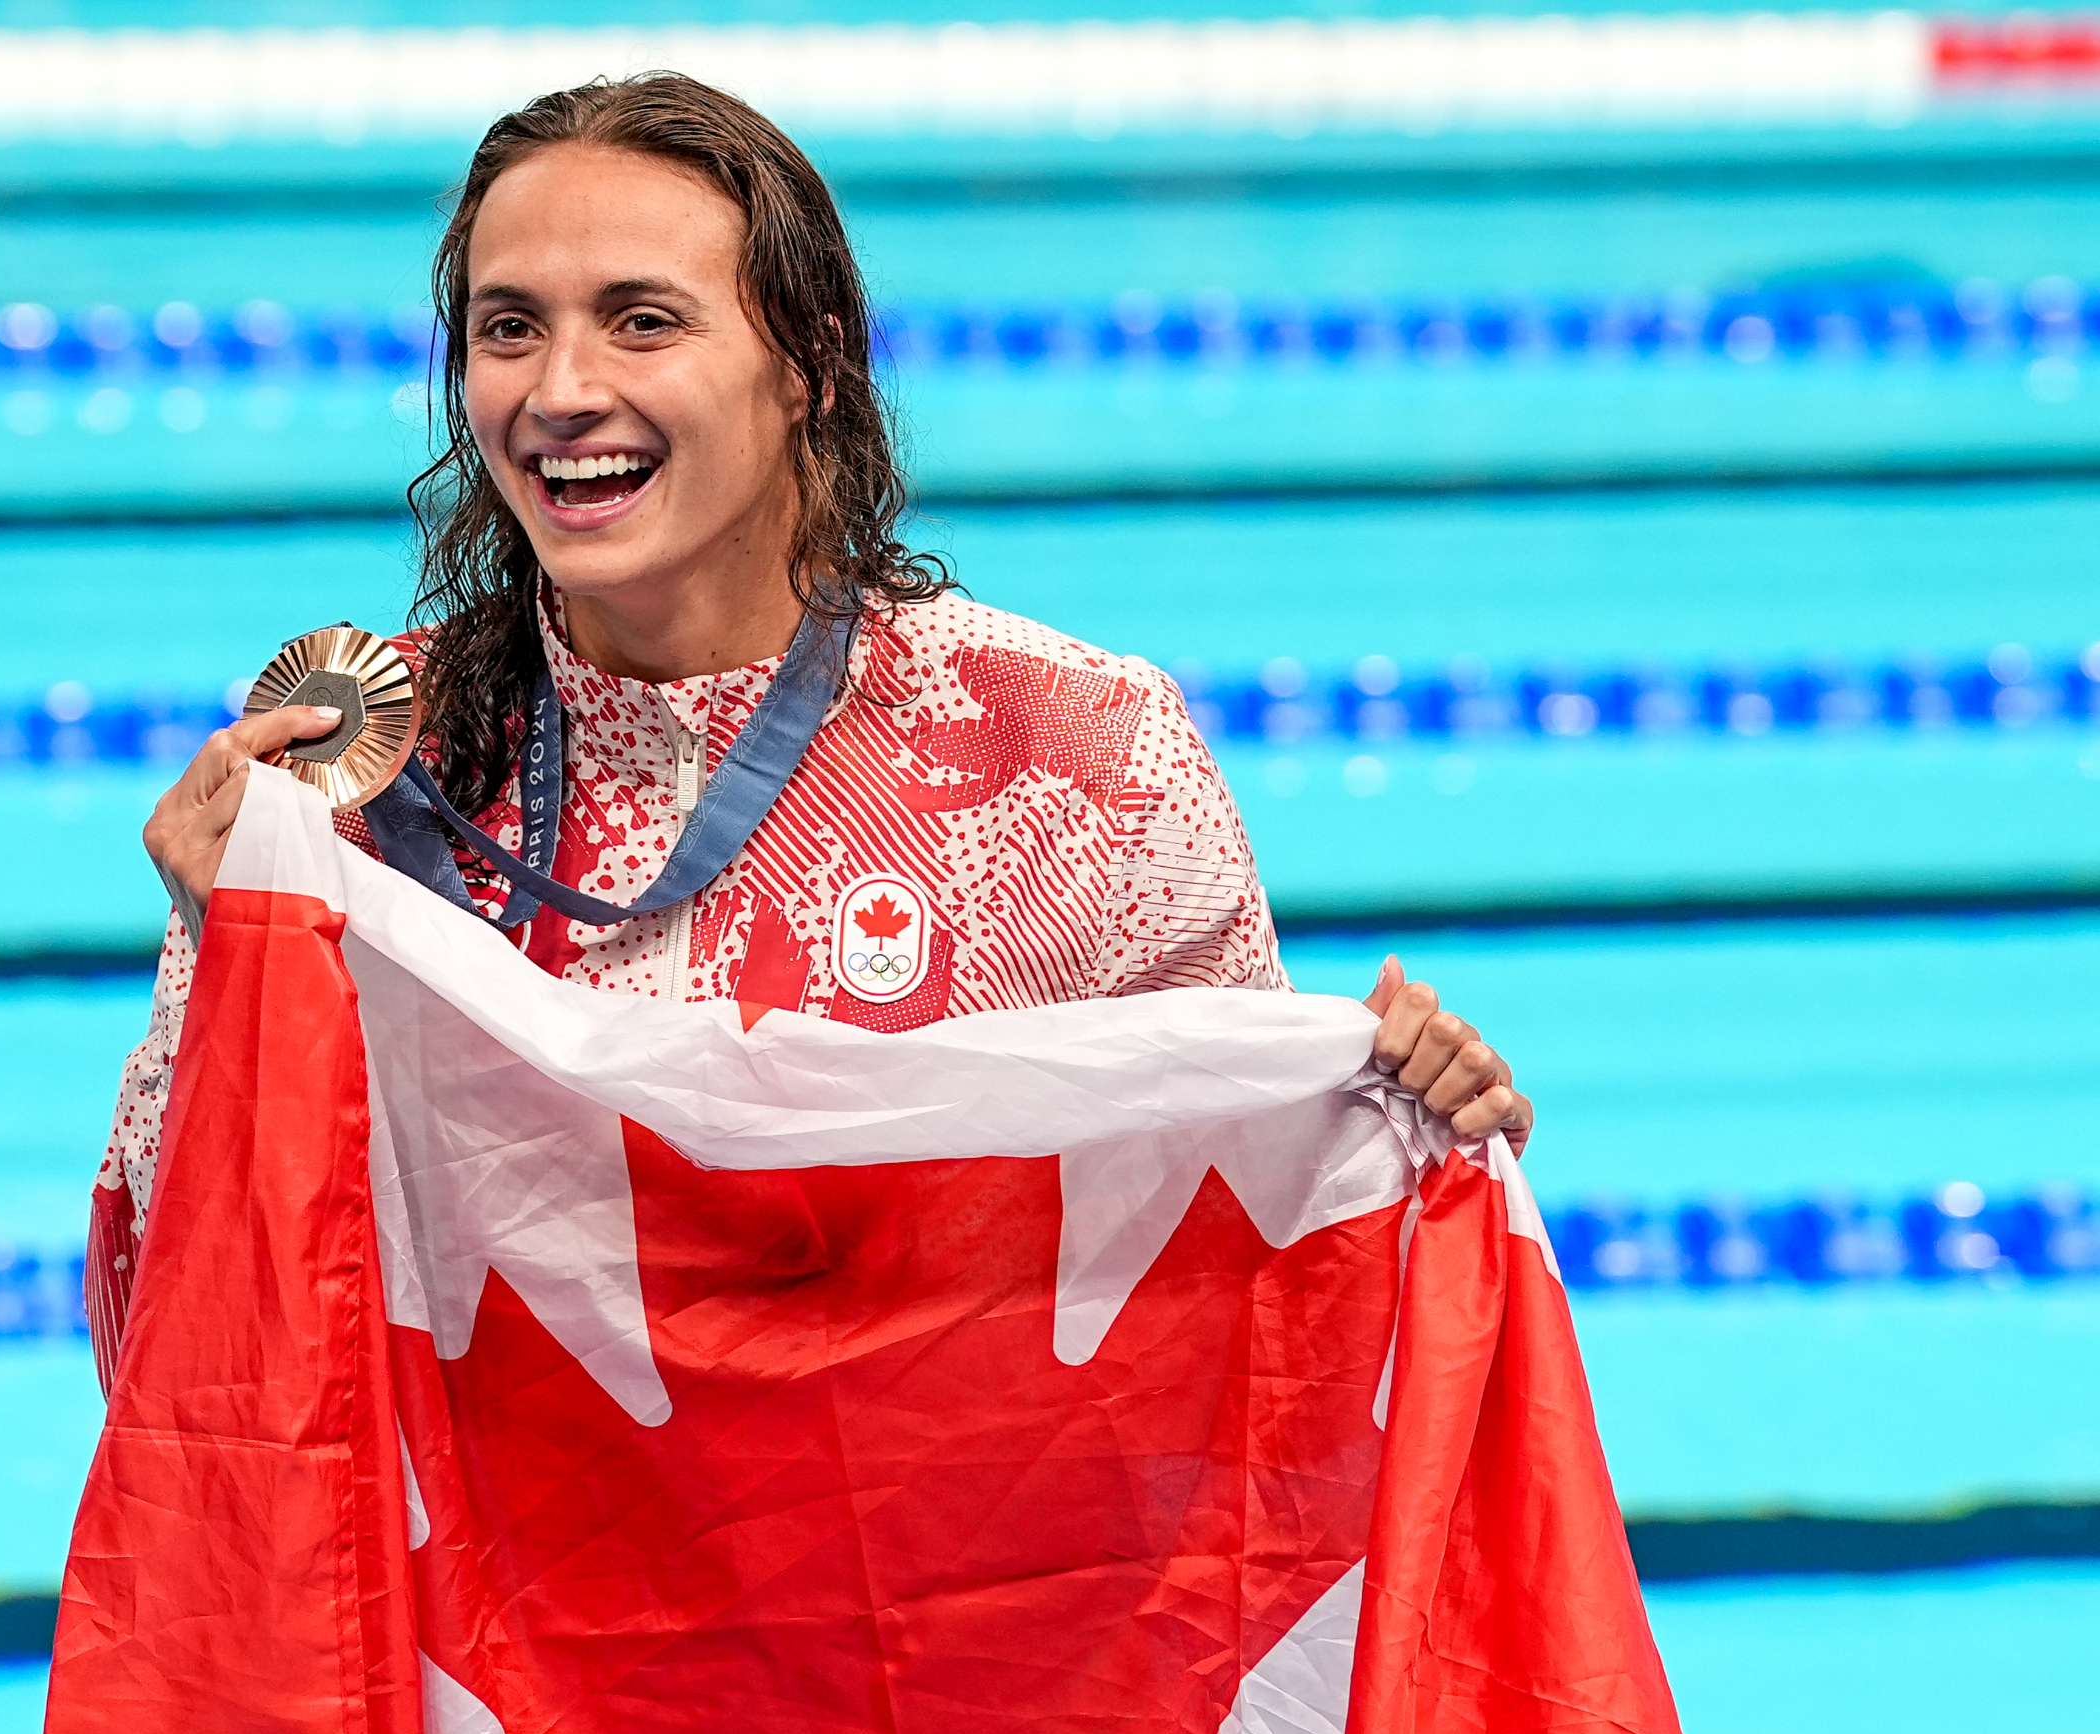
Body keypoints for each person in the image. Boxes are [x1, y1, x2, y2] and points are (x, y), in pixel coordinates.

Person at [96, 72, 1528, 1359]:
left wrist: (1415, 1128)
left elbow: (1254, 1310)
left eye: (641, 321)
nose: (561, 392)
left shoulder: (1081, 761)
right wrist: (226, 965)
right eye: (509, 329)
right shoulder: (354, 778)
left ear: (808, 363)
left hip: (929, 1631)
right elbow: (187, 1338)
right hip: (510, 1642)